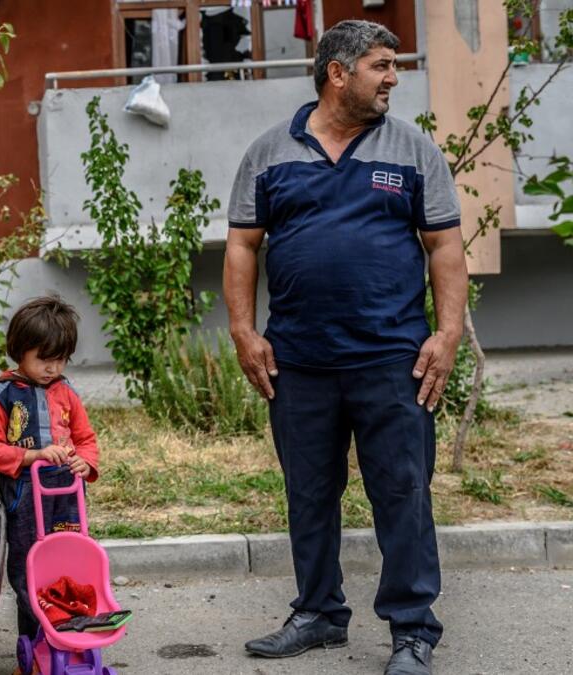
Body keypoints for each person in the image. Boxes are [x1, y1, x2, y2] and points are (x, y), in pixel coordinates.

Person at [224, 20, 468, 675]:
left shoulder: (413, 151)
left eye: (394, 65)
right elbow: (243, 245)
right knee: (308, 491)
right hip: (298, 361)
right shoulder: (269, 153)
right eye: (381, 65)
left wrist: (445, 336)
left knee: (404, 492)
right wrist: (245, 332)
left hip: (394, 360)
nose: (393, 77)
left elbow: (445, 245)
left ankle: (413, 629)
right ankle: (319, 613)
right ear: (338, 72)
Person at [0, 296, 100, 661]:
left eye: (60, 359)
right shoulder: (2, 395)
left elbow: (86, 439)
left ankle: (70, 635)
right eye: (43, 359)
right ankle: (36, 646)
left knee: (69, 562)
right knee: (29, 568)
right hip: (26, 495)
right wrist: (32, 455)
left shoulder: (67, 393)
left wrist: (85, 462)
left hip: (66, 495)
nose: (52, 368)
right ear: (20, 351)